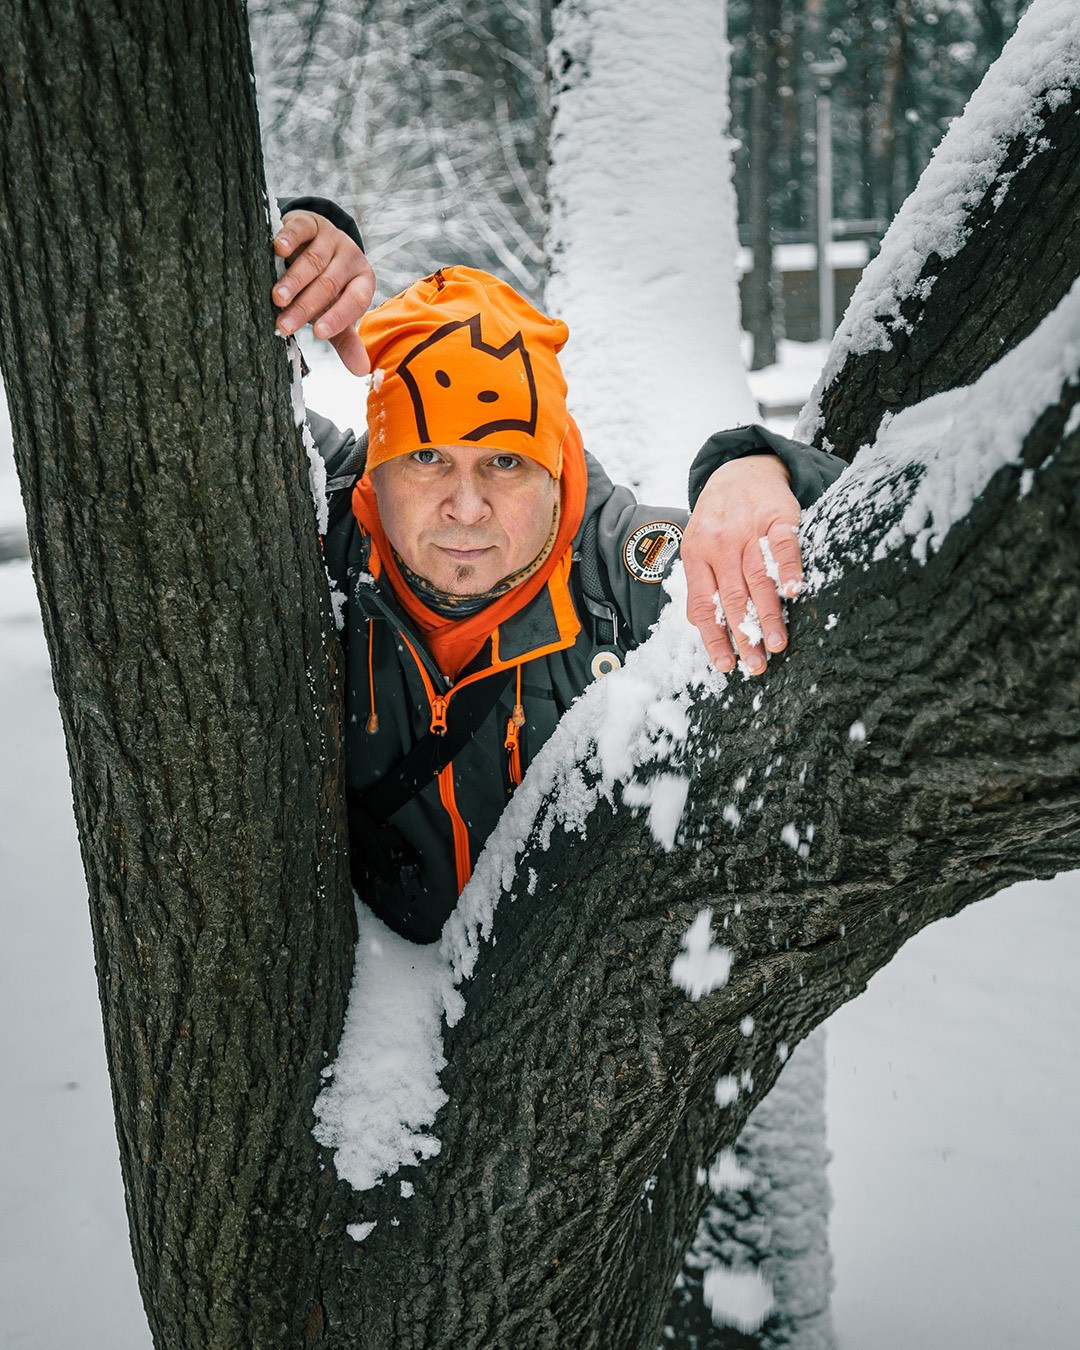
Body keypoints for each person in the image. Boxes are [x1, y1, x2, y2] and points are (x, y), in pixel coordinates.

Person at [272, 212, 844, 943]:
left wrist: (764, 467)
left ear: (554, 467)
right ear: (379, 468)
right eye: (427, 458)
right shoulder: (322, 518)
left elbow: (870, 568)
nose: (467, 506)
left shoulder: (626, 577)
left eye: (504, 462)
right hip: (378, 1019)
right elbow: (196, 362)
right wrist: (303, 246)